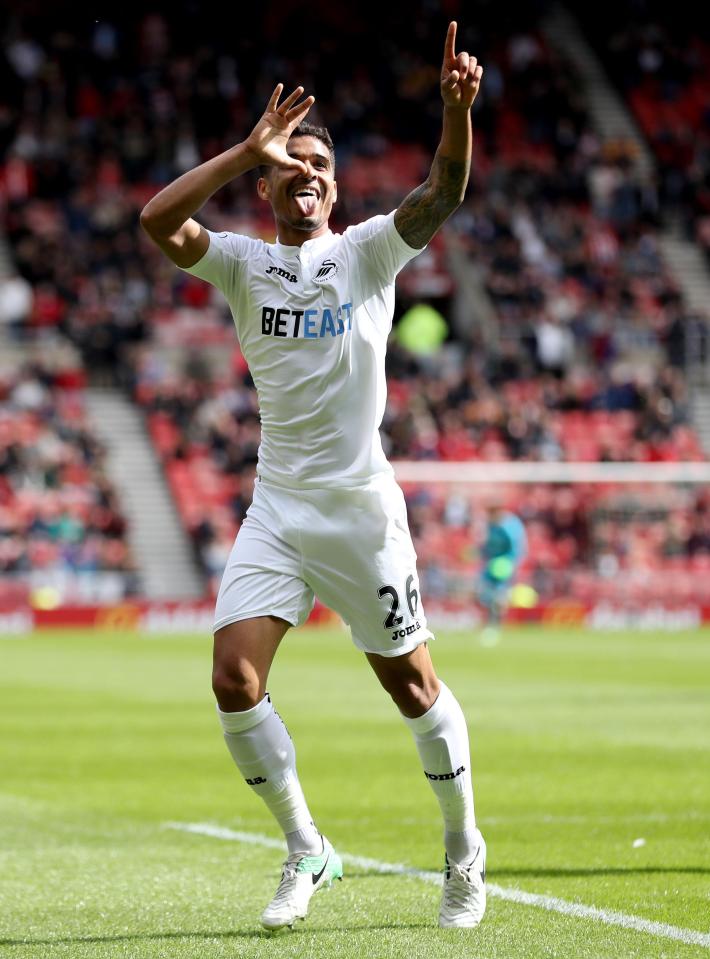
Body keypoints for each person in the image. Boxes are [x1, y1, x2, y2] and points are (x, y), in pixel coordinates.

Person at [141, 22, 485, 932]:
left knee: (412, 690)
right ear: (267, 183)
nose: (309, 173)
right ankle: (306, 847)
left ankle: (463, 854)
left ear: (334, 184)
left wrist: (455, 117)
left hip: (361, 510)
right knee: (230, 678)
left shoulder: (368, 251)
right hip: (280, 508)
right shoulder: (244, 264)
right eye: (291, 164)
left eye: (321, 163)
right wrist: (243, 148)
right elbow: (157, 221)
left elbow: (442, 192)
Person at [476, 502, 527, 642]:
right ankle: (490, 623)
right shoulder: (490, 525)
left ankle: (496, 624)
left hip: (504, 565)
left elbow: (517, 548)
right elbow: (487, 546)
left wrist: (512, 565)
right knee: (486, 595)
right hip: (491, 565)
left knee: (499, 597)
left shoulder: (510, 526)